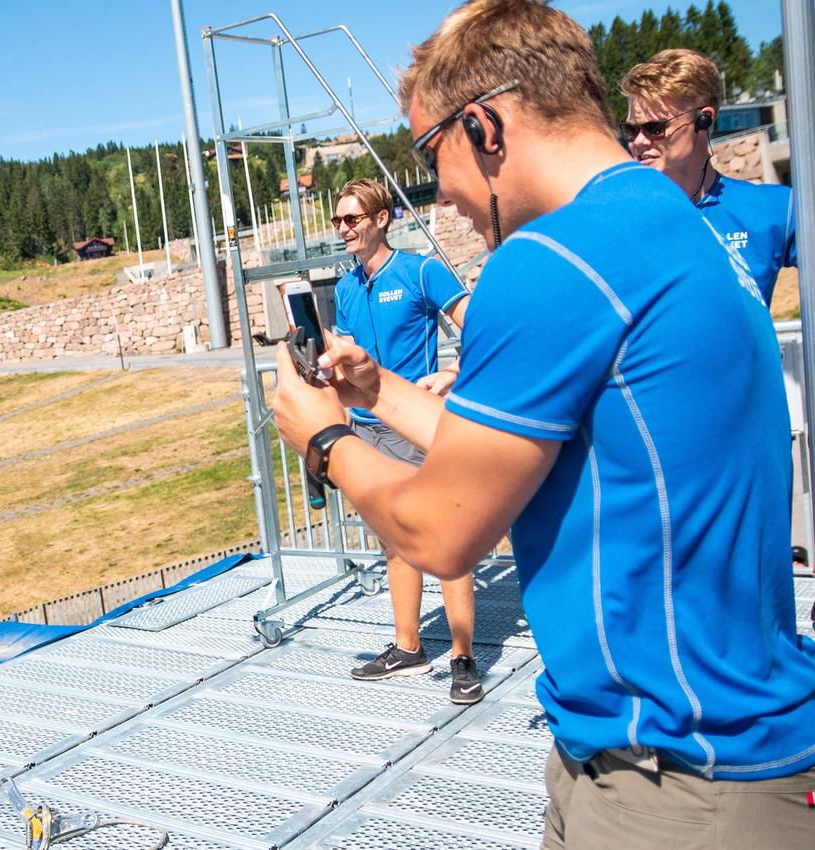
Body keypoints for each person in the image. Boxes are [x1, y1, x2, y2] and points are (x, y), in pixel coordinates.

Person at [268, 1, 815, 844]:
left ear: (483, 125)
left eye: (430, 155)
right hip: (703, 744)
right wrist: (376, 394)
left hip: (673, 779)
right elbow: (517, 439)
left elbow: (441, 528)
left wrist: (321, 439)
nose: (440, 194)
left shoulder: (552, 260)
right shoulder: (668, 217)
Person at [329, 177, 480, 705]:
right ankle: (408, 648)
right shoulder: (346, 288)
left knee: (445, 540)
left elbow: (481, 325)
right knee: (395, 541)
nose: (343, 228)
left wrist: (455, 373)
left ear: (381, 218)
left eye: (352, 218)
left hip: (417, 426)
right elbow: (348, 358)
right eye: (337, 220)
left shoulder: (420, 270)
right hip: (368, 431)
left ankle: (463, 657)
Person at [620, 48, 797, 307]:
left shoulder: (775, 209)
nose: (639, 141)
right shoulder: (616, 217)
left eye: (654, 128)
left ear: (703, 120)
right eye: (631, 130)